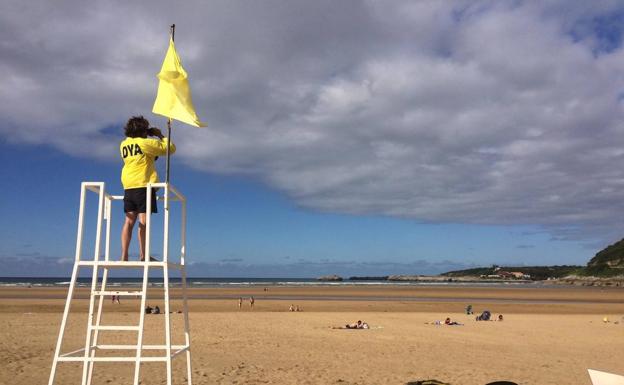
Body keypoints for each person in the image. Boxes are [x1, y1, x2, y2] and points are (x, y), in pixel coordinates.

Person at [119, 116, 175, 262]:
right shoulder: (145, 143)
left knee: (129, 221)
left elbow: (146, 156)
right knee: (143, 221)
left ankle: (124, 255)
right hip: (143, 184)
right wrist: (160, 135)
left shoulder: (124, 144)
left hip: (128, 185)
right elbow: (170, 149)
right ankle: (144, 255)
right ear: (143, 130)